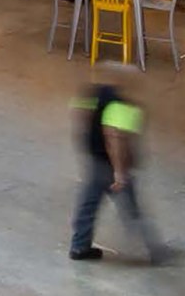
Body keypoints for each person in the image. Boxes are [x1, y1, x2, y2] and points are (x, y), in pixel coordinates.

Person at [71, 83, 169, 264]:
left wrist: (88, 142)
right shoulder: (122, 105)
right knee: (132, 210)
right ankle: (156, 251)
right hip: (110, 166)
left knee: (88, 205)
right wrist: (119, 172)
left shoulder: (97, 91)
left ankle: (79, 246)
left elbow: (81, 110)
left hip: (96, 159)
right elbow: (114, 137)